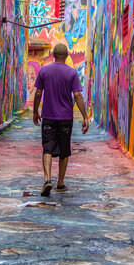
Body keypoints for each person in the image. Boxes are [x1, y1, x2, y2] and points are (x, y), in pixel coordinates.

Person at [33, 43, 89, 196]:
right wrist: (85, 116)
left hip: (48, 116)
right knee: (64, 149)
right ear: (66, 56)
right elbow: (77, 95)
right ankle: (60, 183)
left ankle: (47, 179)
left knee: (48, 147)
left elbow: (38, 93)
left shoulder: (44, 71)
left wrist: (35, 112)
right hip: (66, 118)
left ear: (53, 55)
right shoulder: (71, 73)